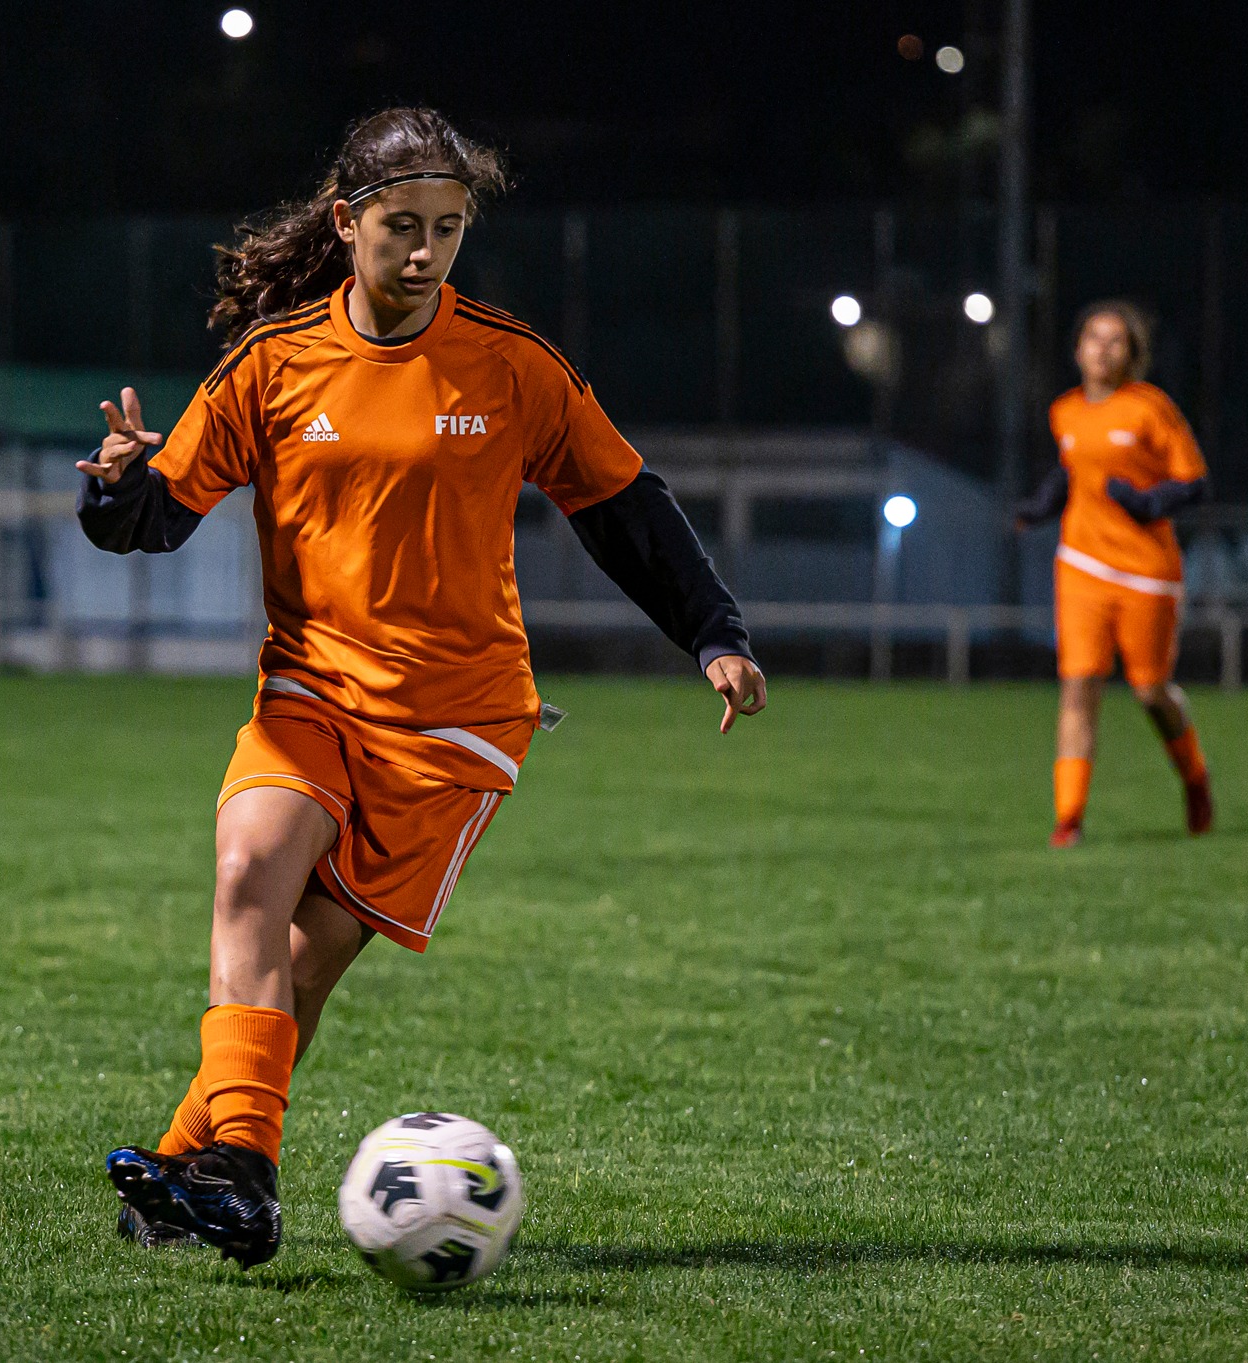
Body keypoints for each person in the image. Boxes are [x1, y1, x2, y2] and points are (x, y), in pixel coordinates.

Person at [75, 108, 767, 1267]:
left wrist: (711, 630)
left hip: (456, 721)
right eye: (402, 225)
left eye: (448, 230)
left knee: (301, 961)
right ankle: (242, 1173)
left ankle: (188, 1166)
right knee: (249, 868)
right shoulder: (273, 364)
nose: (426, 251)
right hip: (308, 690)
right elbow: (157, 512)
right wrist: (112, 489)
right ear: (346, 223)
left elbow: (622, 506)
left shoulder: (509, 363)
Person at [1015, 300, 1214, 847]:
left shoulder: (1150, 409)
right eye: (1093, 338)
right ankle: (1069, 819)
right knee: (1079, 687)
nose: (1102, 349)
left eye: (1115, 340)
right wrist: (1037, 508)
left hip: (1147, 572)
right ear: (1077, 348)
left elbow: (1194, 482)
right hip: (1080, 565)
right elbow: (1070, 471)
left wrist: (1147, 503)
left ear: (1132, 354)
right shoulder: (1065, 412)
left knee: (1151, 691)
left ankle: (1195, 779)